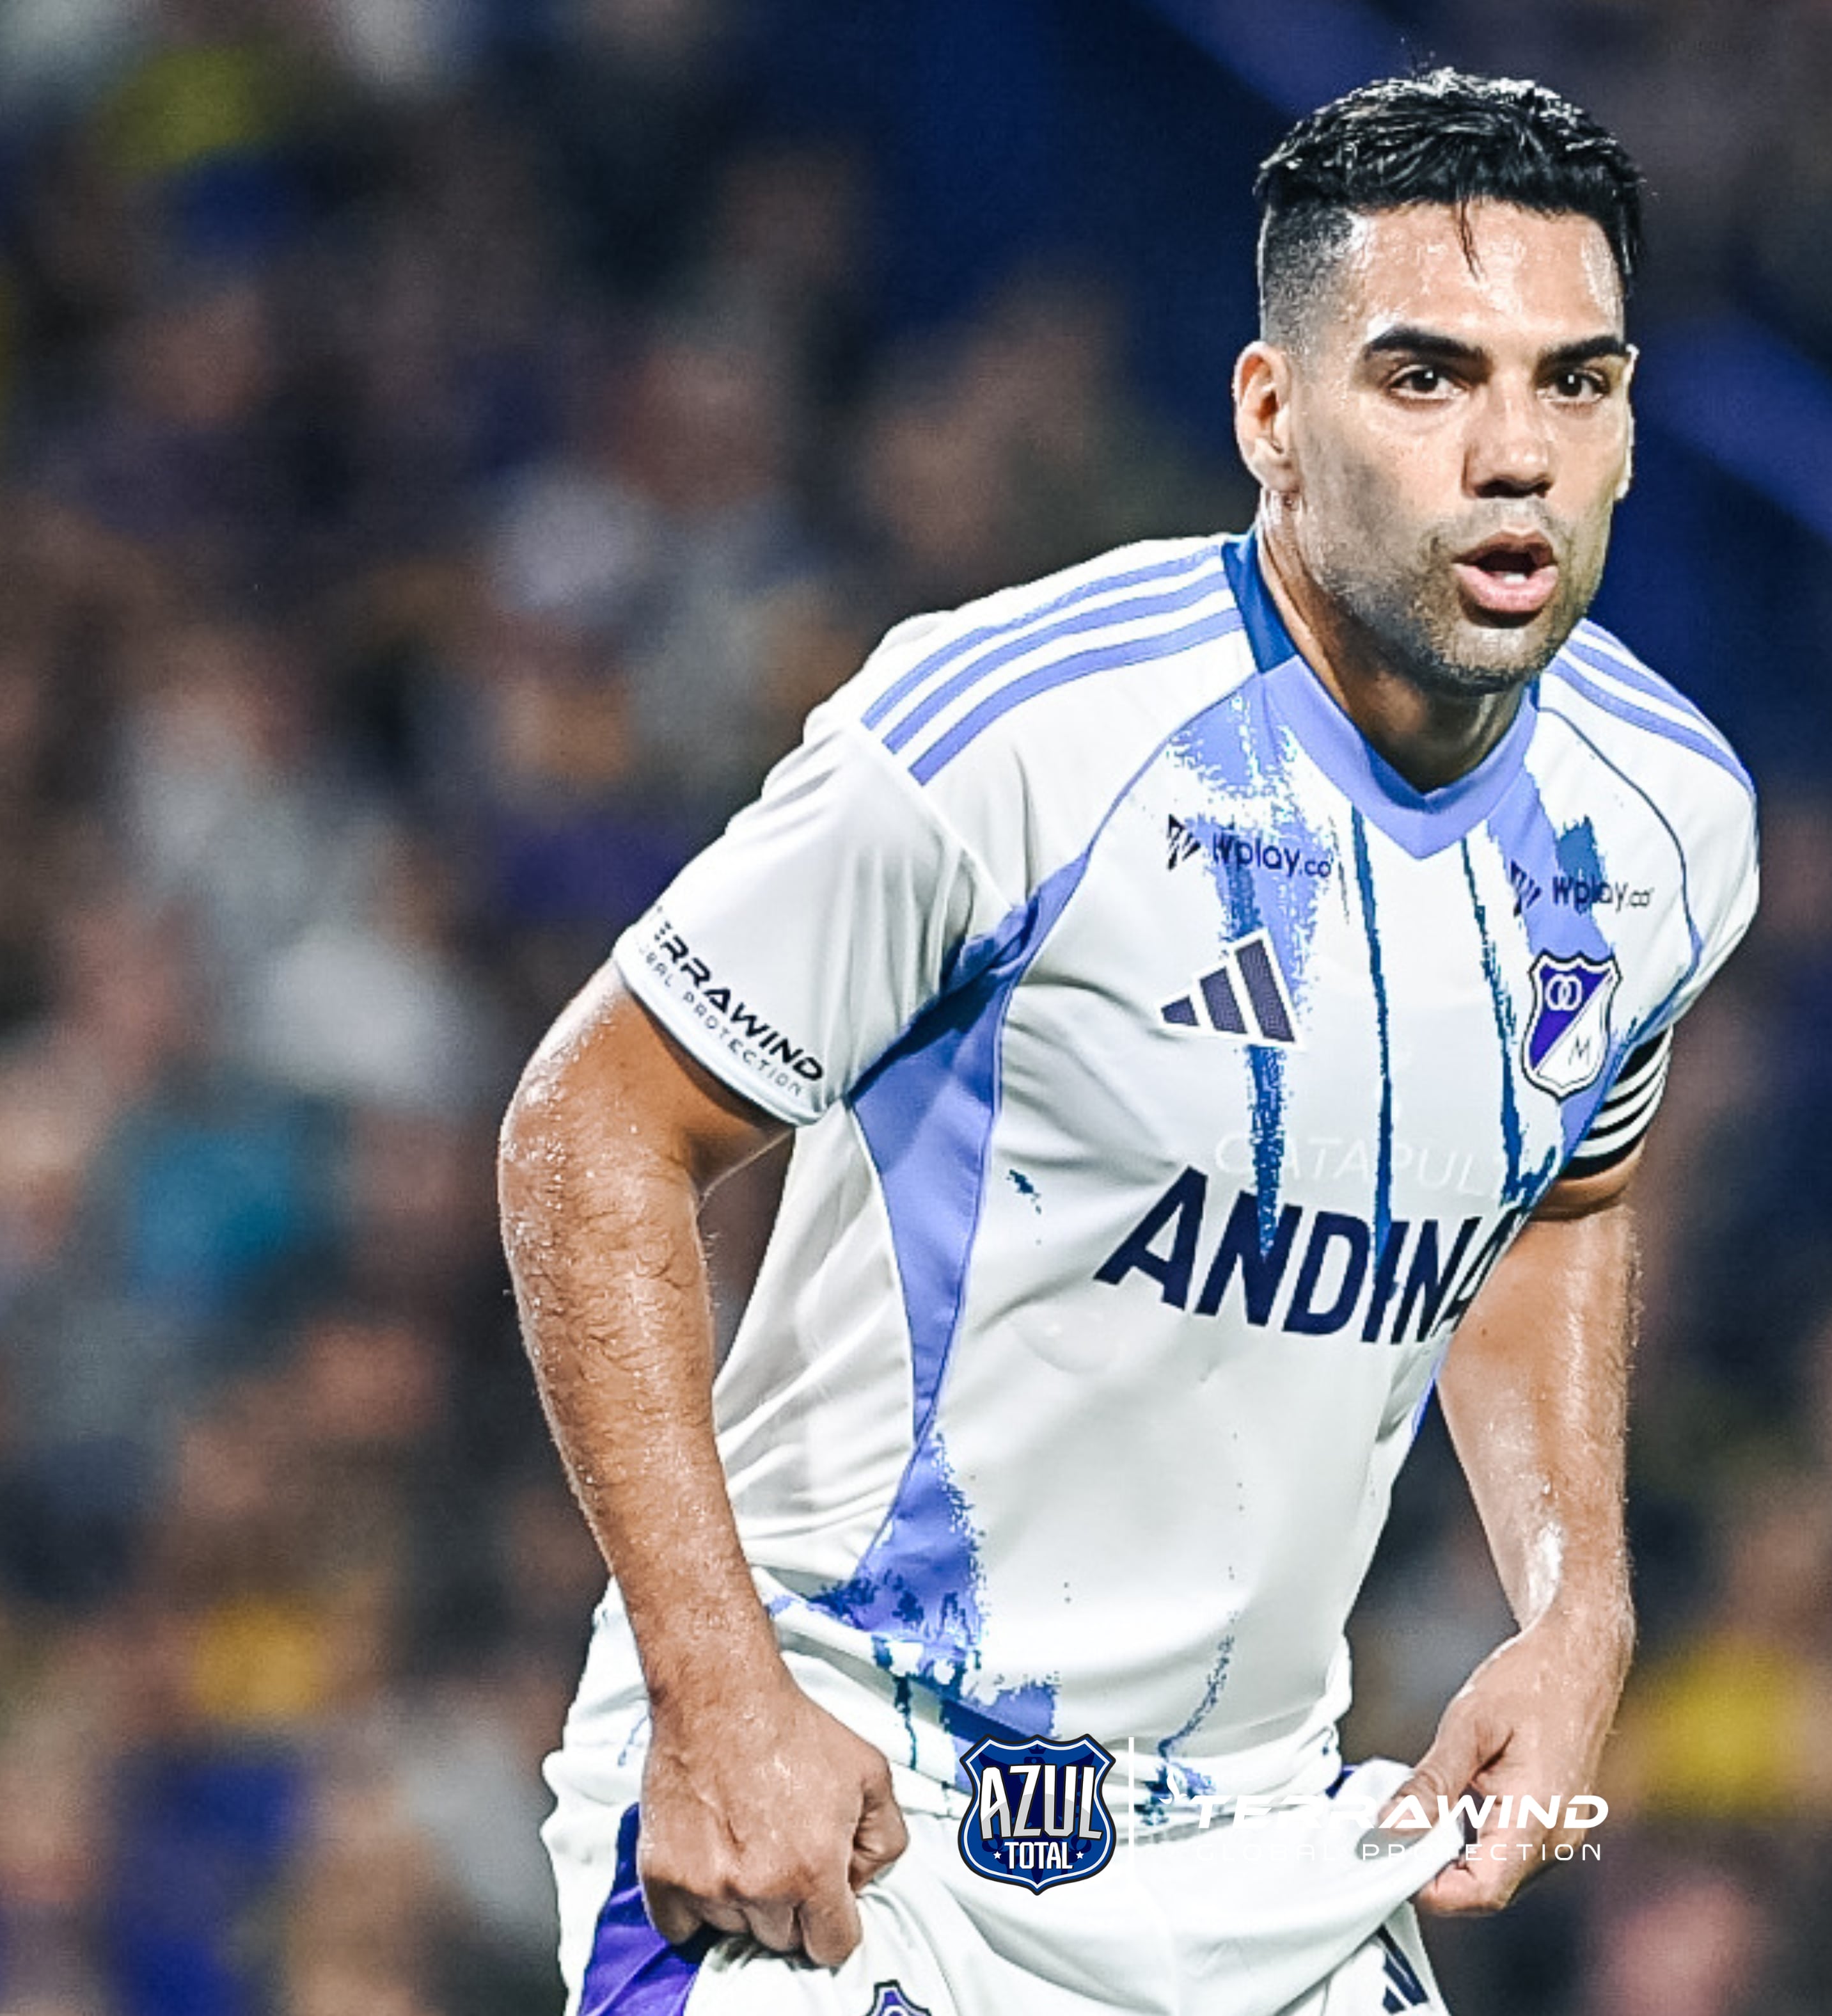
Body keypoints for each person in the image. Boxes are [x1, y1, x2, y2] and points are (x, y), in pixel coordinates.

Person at [498, 70, 1758, 2016]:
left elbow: (1561, 1201)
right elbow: (589, 1124)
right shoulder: (1014, 737)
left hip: (1257, 1840)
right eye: (1426, 379)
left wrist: (1574, 1592)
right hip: (870, 1791)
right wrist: (717, 1690)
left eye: (1572, 384)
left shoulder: (1669, 820)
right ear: (1272, 418)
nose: (1515, 453)